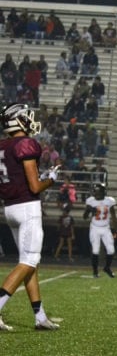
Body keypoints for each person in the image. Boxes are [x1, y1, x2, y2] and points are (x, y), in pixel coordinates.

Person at [0, 104, 62, 331]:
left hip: (10, 208)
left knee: (30, 263)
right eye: (26, 117)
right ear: (18, 120)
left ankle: (40, 316)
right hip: (27, 208)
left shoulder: (3, 145)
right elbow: (35, 186)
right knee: (29, 261)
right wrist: (51, 179)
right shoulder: (26, 143)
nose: (29, 120)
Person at [83, 182, 117, 278]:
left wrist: (115, 229)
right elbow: (84, 217)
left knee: (111, 250)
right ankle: (95, 272)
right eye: (95, 192)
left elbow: (114, 216)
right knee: (95, 250)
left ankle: (107, 268)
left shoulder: (109, 201)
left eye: (97, 193)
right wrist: (89, 210)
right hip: (95, 228)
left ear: (103, 192)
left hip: (106, 228)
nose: (95, 195)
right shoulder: (91, 201)